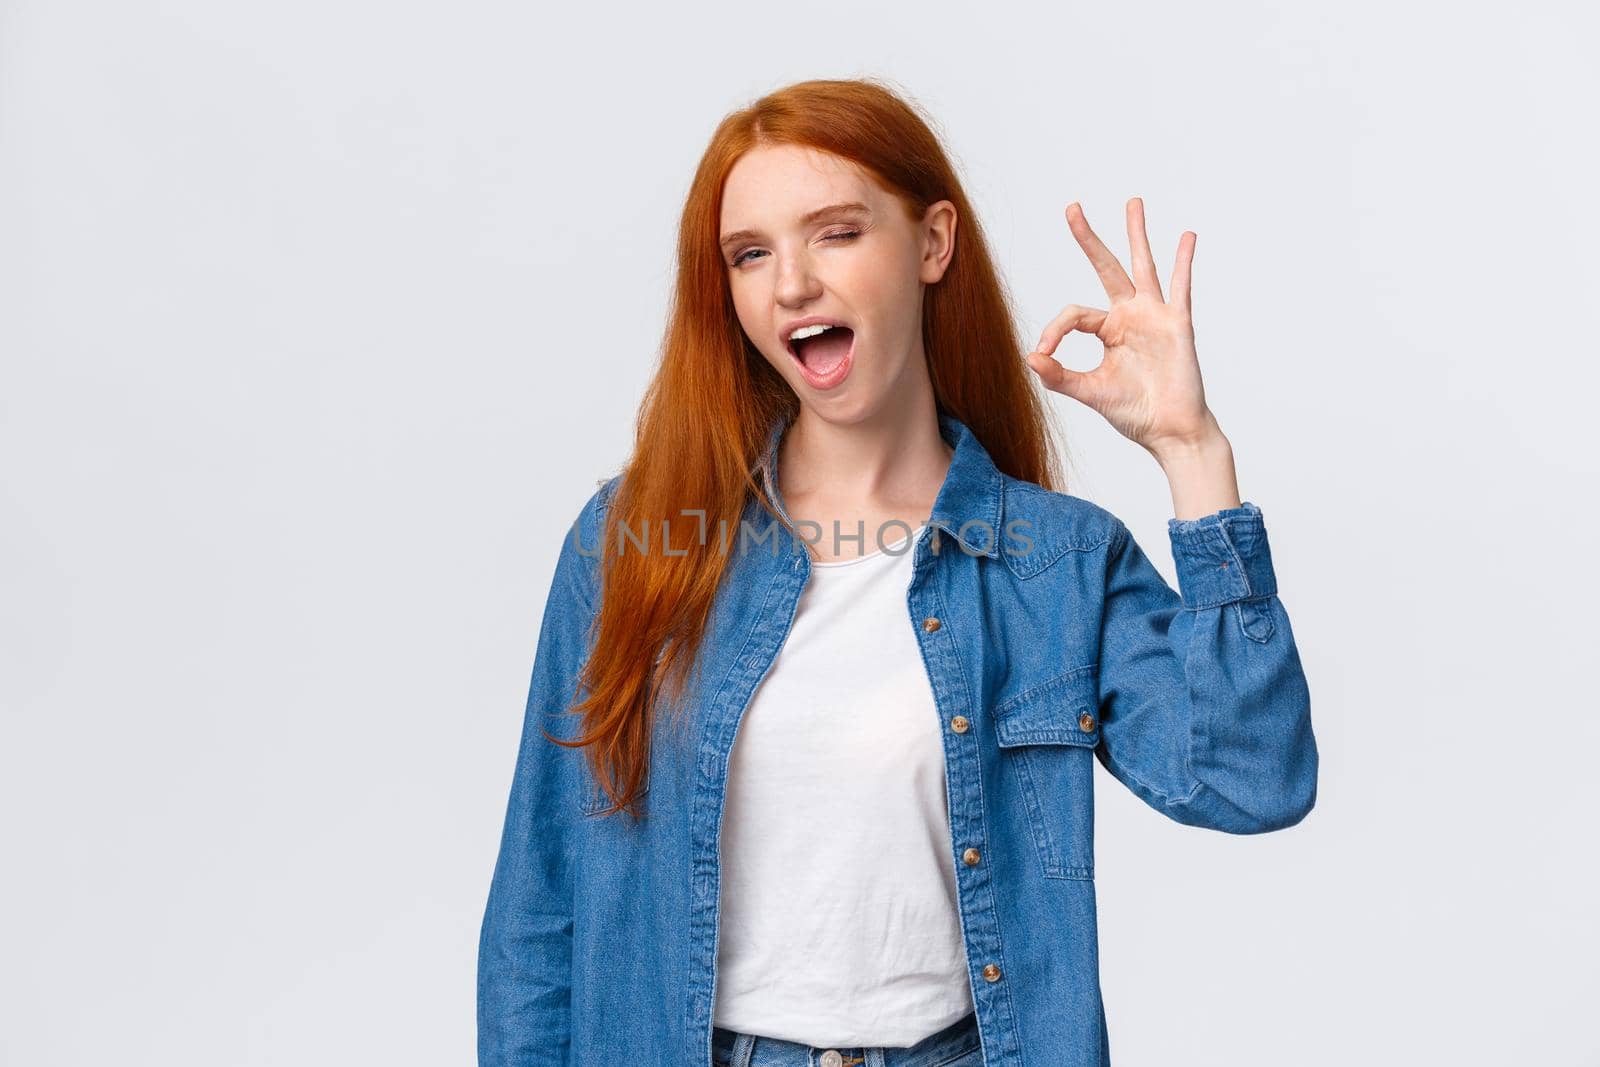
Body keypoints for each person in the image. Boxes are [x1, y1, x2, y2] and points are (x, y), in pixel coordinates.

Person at [477, 76, 1318, 1067]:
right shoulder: (637, 539)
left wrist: (1191, 451)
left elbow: (1250, 775)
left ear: (932, 243)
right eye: (750, 254)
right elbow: (539, 909)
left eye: (834, 232)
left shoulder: (1054, 564)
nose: (789, 283)